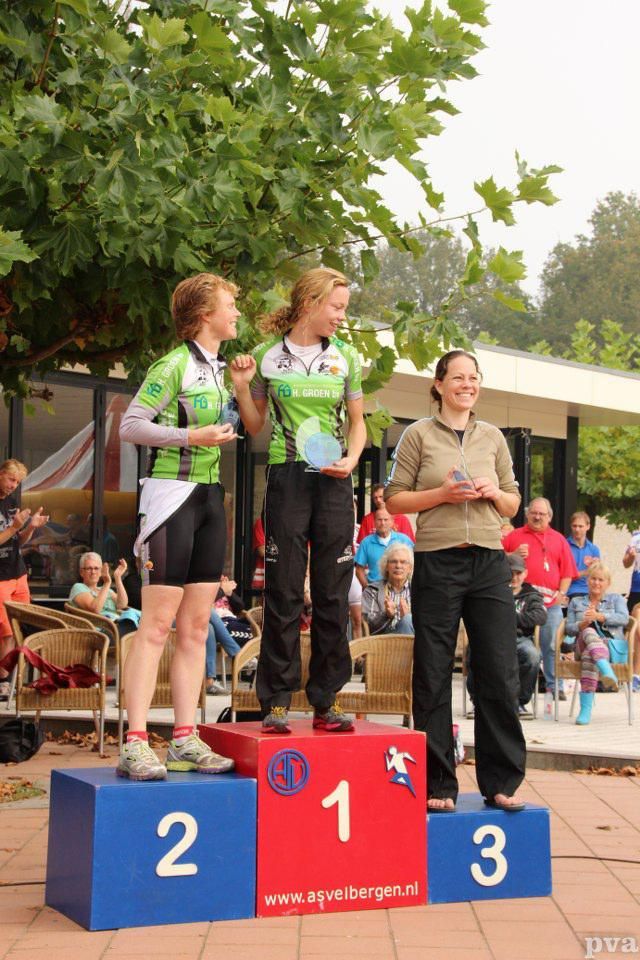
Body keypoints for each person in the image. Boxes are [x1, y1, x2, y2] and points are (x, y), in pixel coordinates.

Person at [116, 271, 245, 780]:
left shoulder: (219, 367)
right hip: (170, 496)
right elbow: (130, 424)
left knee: (195, 626)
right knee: (155, 627)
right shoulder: (172, 365)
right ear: (204, 312)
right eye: (230, 304)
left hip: (211, 498)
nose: (237, 312)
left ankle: (186, 738)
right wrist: (192, 436)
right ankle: (134, 741)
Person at [385, 348, 526, 813]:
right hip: (437, 562)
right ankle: (437, 784)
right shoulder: (417, 435)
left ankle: (501, 780)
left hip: (488, 562)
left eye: (474, 377)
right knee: (432, 671)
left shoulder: (493, 438)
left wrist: (494, 494)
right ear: (439, 384)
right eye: (458, 377)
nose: (468, 384)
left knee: (498, 670)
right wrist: (442, 494)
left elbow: (513, 504)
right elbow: (395, 499)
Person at [231, 266, 366, 734]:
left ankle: (327, 700)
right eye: (337, 307)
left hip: (333, 481)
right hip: (287, 479)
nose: (341, 317)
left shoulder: (346, 355)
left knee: (332, 592)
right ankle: (277, 702)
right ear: (310, 302)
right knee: (284, 592)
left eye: (344, 309)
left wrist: (351, 458)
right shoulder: (269, 357)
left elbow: (359, 422)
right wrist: (243, 388)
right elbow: (253, 425)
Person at [503, 498, 578, 701]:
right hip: (520, 601)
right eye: (533, 513)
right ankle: (518, 691)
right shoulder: (514, 536)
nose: (537, 517)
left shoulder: (559, 539)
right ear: (527, 514)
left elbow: (567, 573)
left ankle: (554, 686)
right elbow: (496, 561)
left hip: (550, 603)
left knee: (551, 644)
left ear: (549, 517)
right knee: (524, 649)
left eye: (541, 514)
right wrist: (512, 553)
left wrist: (562, 593)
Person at [466, 553, 545, 717]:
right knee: (475, 650)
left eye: (518, 573)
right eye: (511, 572)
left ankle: (519, 702)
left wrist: (510, 617)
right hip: (492, 637)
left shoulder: (531, 595)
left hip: (520, 638)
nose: (514, 577)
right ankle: (478, 700)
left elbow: (540, 616)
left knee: (532, 655)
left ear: (525, 574)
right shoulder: (491, 592)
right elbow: (480, 614)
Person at [0, 459, 49, 699]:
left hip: (18, 572)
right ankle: (4, 682)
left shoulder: (11, 503)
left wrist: (30, 528)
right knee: (6, 631)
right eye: (11, 479)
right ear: (1, 474)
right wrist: (13, 528)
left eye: (17, 482)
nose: (13, 486)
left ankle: (11, 681)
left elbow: (16, 542)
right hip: (0, 578)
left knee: (19, 627)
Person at [565, 562, 629, 725]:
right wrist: (582, 625)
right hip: (581, 643)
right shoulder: (576, 602)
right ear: (587, 580)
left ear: (608, 583)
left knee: (589, 655)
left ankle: (585, 710)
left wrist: (601, 617)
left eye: (601, 580)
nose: (596, 583)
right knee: (588, 631)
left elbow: (624, 618)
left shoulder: (616, 599)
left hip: (610, 647)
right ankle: (606, 670)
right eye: (593, 579)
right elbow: (569, 629)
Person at [69, 552, 140, 637]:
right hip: (99, 633)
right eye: (89, 568)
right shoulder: (78, 587)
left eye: (96, 568)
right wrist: (107, 583)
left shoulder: (106, 590)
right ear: (81, 572)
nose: (93, 572)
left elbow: (122, 605)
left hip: (117, 627)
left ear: (100, 571)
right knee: (140, 630)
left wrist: (117, 577)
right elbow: (95, 609)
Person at [362, 542, 414, 635]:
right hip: (383, 644)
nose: (398, 566)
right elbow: (367, 626)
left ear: (410, 568)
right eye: (394, 561)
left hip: (413, 642)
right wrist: (386, 615)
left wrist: (409, 618)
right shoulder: (372, 591)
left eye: (403, 562)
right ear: (386, 566)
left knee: (407, 619)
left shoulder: (418, 591)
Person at [355, 508, 413, 586]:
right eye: (379, 520)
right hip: (375, 588)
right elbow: (359, 570)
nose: (382, 523)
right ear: (374, 522)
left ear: (392, 522)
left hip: (400, 589)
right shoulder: (366, 542)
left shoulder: (404, 540)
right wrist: (367, 588)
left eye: (386, 520)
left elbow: (414, 564)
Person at [566, 511, 600, 600]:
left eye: (580, 526)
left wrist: (596, 568)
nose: (577, 529)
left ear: (588, 527)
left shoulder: (594, 549)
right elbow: (563, 576)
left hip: (592, 591)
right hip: (571, 591)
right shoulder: (564, 546)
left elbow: (599, 575)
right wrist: (586, 572)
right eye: (574, 526)